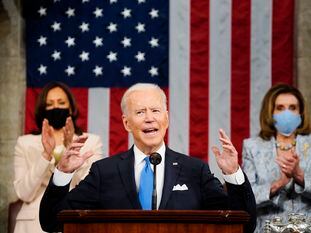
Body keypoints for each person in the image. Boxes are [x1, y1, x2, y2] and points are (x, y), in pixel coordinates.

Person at [39, 83, 256, 232]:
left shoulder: (195, 171)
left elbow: (244, 223)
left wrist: (233, 174)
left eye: (155, 111)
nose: (150, 119)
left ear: (167, 118)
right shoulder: (104, 172)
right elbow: (50, 221)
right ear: (126, 123)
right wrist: (63, 173)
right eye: (140, 112)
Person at [13, 82, 103, 233]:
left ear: (71, 107)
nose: (56, 107)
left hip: (76, 220)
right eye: (50, 104)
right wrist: (45, 155)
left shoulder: (91, 141)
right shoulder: (24, 143)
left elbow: (93, 190)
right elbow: (23, 193)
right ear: (43, 109)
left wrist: (71, 150)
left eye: (61, 103)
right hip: (32, 226)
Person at [242, 83, 311, 232]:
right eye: (280, 108)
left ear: (301, 112)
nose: (287, 113)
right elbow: (246, 198)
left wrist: (300, 177)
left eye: (292, 108)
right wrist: (279, 183)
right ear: (270, 112)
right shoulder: (252, 147)